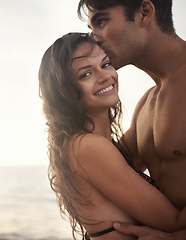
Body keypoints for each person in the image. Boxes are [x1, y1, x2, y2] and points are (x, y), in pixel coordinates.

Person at [38, 32, 186, 240]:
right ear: (66, 92)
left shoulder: (101, 145)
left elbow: (154, 122)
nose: (105, 76)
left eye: (105, 64)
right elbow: (173, 223)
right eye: (86, 74)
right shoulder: (88, 147)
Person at [77, 0, 186, 238]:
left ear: (144, 13)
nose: (93, 38)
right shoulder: (147, 104)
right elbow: (102, 169)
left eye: (101, 21)